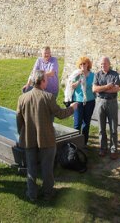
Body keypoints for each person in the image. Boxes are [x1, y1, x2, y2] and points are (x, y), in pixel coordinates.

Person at [16, 70, 78, 201]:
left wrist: (22, 133)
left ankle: (32, 194)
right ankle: (48, 194)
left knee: (31, 168)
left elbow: (19, 119)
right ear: (42, 81)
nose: (48, 81)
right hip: (47, 138)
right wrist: (72, 108)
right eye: (46, 79)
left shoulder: (22, 98)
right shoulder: (48, 97)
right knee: (47, 168)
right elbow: (61, 114)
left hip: (28, 138)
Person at [93, 56, 120, 159]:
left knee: (113, 128)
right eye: (101, 64)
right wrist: (107, 87)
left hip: (112, 103)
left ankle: (113, 149)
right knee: (101, 127)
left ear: (109, 64)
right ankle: (103, 148)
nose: (102, 66)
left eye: (104, 64)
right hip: (100, 102)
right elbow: (94, 89)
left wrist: (101, 89)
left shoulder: (115, 75)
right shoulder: (97, 75)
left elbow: (116, 89)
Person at [69, 56, 96, 145]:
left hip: (90, 101)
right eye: (81, 64)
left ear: (88, 64)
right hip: (78, 101)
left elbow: (94, 87)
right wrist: (79, 81)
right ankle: (74, 144)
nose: (83, 65)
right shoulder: (76, 74)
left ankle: (84, 144)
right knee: (77, 124)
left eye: (84, 63)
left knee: (86, 123)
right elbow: (71, 86)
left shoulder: (93, 75)